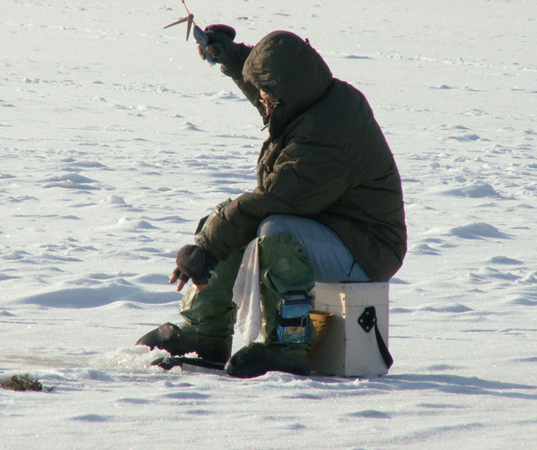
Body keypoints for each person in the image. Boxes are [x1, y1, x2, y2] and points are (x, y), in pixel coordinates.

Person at [136, 25, 407, 378]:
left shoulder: (325, 137)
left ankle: (288, 345)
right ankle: (204, 333)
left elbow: (276, 199)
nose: (260, 100)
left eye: (266, 94)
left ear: (284, 94)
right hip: (334, 226)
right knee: (231, 218)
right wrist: (233, 58)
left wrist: (207, 247)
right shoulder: (317, 99)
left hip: (368, 249)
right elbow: (278, 86)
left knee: (274, 230)